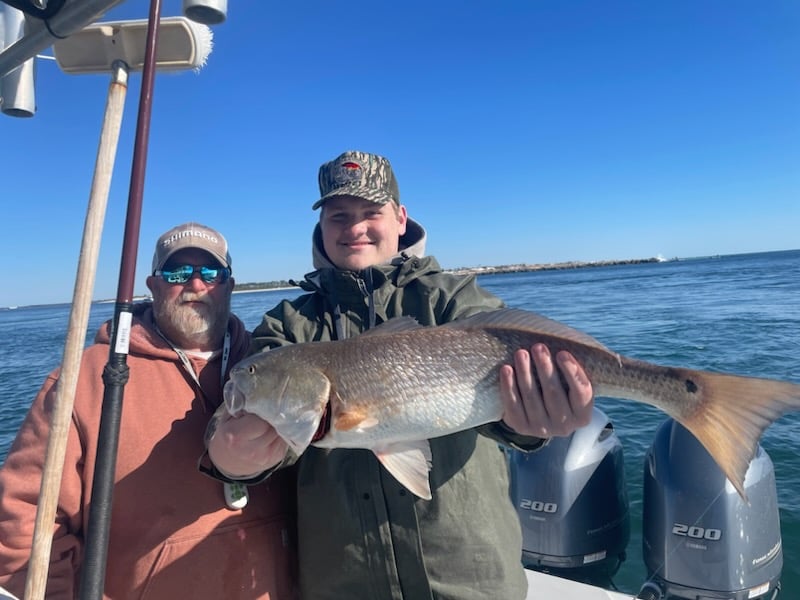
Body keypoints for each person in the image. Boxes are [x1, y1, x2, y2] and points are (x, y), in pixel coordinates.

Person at [206, 151, 594, 599]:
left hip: (469, 582)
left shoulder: (453, 301)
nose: (355, 228)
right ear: (321, 225)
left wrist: (533, 423)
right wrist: (233, 460)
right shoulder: (287, 326)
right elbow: (262, 433)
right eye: (339, 216)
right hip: (344, 585)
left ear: (400, 217)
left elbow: (505, 408)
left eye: (371, 212)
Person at [0, 223, 297, 599]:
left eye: (211, 273)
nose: (195, 284)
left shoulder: (273, 364)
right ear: (153, 286)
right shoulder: (87, 382)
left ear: (229, 285)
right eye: (176, 273)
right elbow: (22, 529)